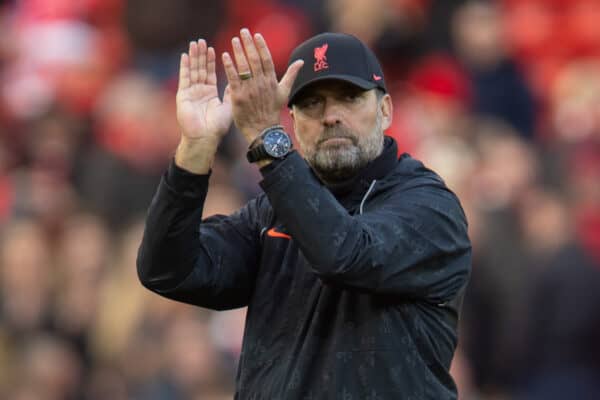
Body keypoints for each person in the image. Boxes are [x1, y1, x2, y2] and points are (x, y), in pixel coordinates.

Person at [137, 28, 471, 399]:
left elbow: (346, 255)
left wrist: (266, 136)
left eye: (349, 97)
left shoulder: (428, 205)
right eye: (312, 103)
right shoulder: (272, 211)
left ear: (386, 110)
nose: (331, 116)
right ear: (293, 120)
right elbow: (168, 271)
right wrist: (195, 150)